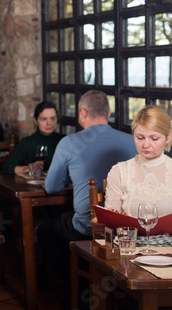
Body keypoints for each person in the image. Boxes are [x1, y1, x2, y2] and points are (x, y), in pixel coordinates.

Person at [37, 90, 136, 279]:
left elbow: (51, 187)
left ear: (82, 113)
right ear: (108, 113)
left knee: (45, 231)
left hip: (88, 228)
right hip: (126, 230)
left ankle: (77, 287)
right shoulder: (131, 141)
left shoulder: (69, 143)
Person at [104, 105, 172, 216]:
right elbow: (112, 220)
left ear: (168, 137)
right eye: (140, 138)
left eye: (154, 138)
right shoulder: (120, 172)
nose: (146, 145)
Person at [3, 101, 64, 175]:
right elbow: (7, 167)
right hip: (34, 185)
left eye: (52, 119)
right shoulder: (26, 143)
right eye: (43, 119)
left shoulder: (65, 140)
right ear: (35, 121)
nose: (49, 123)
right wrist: (29, 168)